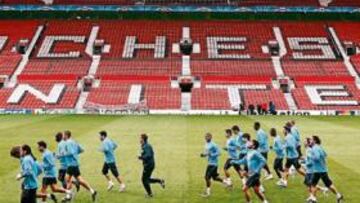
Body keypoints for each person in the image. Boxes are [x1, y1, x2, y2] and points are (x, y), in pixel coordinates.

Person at [63, 130, 97, 202]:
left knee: (67, 179)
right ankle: (92, 191)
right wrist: (75, 154)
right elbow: (82, 150)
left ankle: (68, 195)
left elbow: (70, 152)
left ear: (66, 135)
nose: (63, 136)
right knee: (79, 180)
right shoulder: (74, 141)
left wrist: (63, 154)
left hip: (71, 164)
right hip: (75, 163)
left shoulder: (68, 143)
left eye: (63, 135)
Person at [308, 136, 344, 203]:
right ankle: (338, 195)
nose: (310, 141)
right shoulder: (319, 147)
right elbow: (325, 155)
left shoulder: (315, 148)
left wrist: (311, 156)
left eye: (311, 140)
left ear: (315, 141)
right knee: (328, 184)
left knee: (312, 184)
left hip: (318, 170)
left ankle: (313, 199)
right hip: (322, 169)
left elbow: (317, 158)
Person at [201, 133, 230, 197]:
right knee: (214, 178)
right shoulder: (206, 144)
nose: (206, 138)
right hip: (209, 163)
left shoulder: (214, 145)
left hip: (214, 164)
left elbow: (219, 153)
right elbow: (207, 153)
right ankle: (226, 182)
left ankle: (208, 193)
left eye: (207, 137)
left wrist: (211, 155)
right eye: (205, 137)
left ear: (211, 137)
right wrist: (203, 155)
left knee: (207, 177)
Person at [138, 134, 165, 198]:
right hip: (150, 165)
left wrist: (141, 157)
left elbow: (148, 155)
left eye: (140, 138)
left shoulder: (146, 146)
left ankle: (150, 194)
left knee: (144, 180)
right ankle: (160, 181)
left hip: (148, 166)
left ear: (143, 139)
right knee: (147, 179)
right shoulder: (145, 145)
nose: (139, 139)